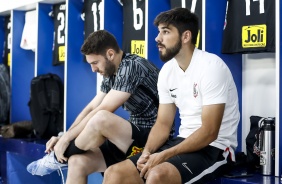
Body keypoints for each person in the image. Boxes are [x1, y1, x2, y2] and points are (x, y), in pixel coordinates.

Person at [103, 7, 240, 184]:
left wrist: (164, 154)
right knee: (114, 173)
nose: (157, 39)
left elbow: (209, 132)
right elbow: (163, 124)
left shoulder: (212, 67)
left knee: (157, 176)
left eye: (165, 32)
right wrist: (147, 152)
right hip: (182, 142)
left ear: (186, 36)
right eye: (159, 32)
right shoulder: (167, 71)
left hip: (216, 148)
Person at [27, 30, 174, 184]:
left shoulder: (132, 66)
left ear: (110, 54)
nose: (93, 69)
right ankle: (62, 156)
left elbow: (102, 110)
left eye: (95, 63)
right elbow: (91, 107)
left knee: (101, 119)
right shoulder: (111, 73)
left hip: (155, 138)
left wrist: (66, 140)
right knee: (77, 162)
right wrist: (65, 136)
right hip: (130, 139)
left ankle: (57, 158)